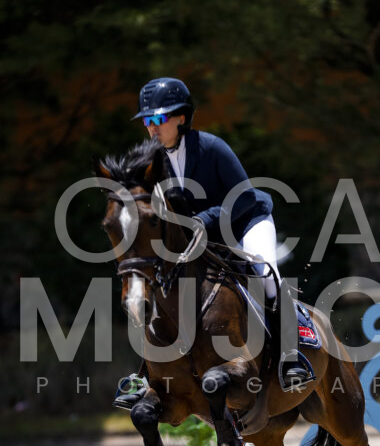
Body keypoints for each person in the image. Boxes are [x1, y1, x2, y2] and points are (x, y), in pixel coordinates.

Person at [113, 77, 314, 409]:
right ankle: (145, 375)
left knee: (266, 273)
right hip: (199, 235)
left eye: (159, 118)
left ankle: (292, 357)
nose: (152, 127)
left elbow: (245, 196)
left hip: (246, 220)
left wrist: (204, 221)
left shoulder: (212, 147)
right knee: (157, 286)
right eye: (147, 120)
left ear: (182, 118)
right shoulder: (153, 163)